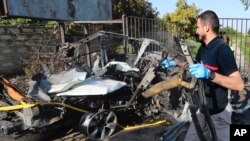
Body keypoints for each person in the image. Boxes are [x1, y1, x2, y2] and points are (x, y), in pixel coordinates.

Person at [161, 10, 244, 141]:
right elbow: (193, 65)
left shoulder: (222, 49)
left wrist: (209, 74)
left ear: (206, 28)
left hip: (219, 114)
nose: (196, 30)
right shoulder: (204, 48)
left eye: (197, 27)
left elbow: (239, 84)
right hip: (202, 110)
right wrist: (175, 63)